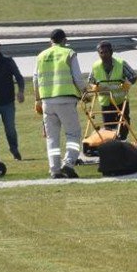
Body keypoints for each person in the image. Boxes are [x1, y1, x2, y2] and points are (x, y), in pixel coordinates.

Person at [33, 28, 88, 179]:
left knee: (52, 137)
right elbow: (77, 77)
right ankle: (69, 164)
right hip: (65, 99)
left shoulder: (41, 56)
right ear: (65, 40)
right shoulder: (69, 53)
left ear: (50, 41)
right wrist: (84, 92)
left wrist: (37, 100)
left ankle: (54, 170)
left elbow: (35, 79)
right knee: (73, 134)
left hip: (47, 102)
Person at [87, 40, 137, 140]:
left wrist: (128, 83)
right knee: (108, 127)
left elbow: (134, 76)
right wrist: (93, 87)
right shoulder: (96, 66)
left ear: (111, 52)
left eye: (106, 52)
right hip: (105, 102)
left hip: (120, 100)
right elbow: (90, 80)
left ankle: (123, 141)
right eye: (101, 53)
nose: (104, 55)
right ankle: (112, 145)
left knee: (124, 123)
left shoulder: (121, 63)